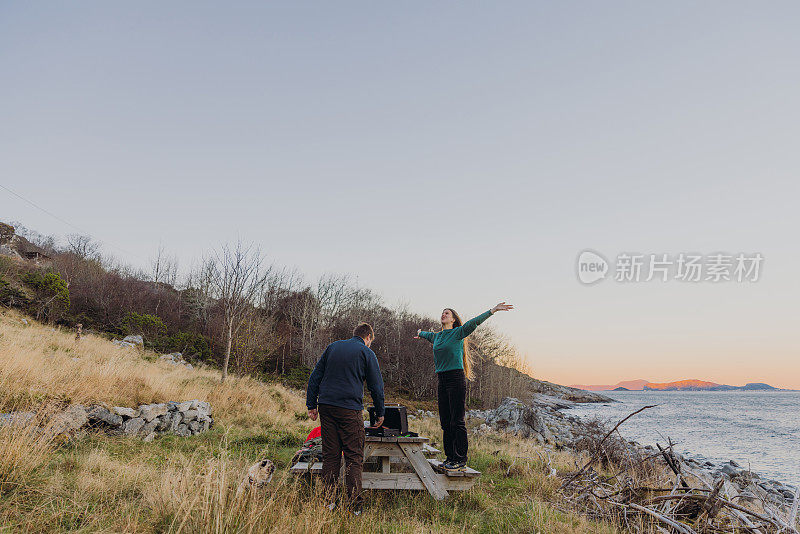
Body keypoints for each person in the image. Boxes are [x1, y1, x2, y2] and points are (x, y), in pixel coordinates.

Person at [415, 302, 514, 471]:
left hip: (455, 378)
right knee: (445, 422)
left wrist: (493, 310)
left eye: (447, 313)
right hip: (442, 379)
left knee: (457, 421)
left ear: (453, 319)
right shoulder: (437, 336)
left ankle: (460, 459)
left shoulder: (458, 332)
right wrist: (419, 333)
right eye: (442, 312)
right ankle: (450, 458)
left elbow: (473, 323)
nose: (443, 314)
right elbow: (425, 334)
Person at [306, 322, 385, 514]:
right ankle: (354, 506)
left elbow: (315, 376)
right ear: (368, 338)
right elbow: (376, 386)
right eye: (370, 341)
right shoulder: (367, 353)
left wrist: (311, 405)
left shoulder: (333, 347)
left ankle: (328, 502)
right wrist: (380, 412)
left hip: (326, 406)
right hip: (349, 409)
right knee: (353, 456)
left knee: (331, 456)